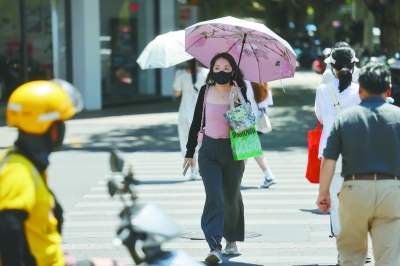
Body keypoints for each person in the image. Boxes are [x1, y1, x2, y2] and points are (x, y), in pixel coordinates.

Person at [0, 80, 123, 266]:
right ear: (53, 130)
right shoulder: (18, 171)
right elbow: (8, 229)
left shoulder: (26, 163)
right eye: (61, 122)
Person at [316, 62, 400, 266]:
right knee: (389, 259)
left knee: (351, 257)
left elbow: (329, 159)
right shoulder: (398, 116)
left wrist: (324, 193)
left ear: (360, 90)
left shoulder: (344, 119)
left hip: (354, 191)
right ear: (388, 90)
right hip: (391, 191)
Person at [183, 52, 248, 265]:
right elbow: (195, 122)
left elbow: (245, 127)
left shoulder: (239, 90)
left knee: (231, 196)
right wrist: (189, 152)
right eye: (217, 68)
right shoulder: (205, 90)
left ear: (233, 71)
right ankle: (214, 245)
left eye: (226, 68)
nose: (221, 72)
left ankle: (232, 239)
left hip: (233, 150)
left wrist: (238, 102)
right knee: (214, 196)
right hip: (209, 150)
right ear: (211, 70)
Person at [314, 46, 369, 265]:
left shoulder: (323, 91)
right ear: (354, 67)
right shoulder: (361, 91)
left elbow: (319, 116)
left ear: (332, 67)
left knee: (336, 205)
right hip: (358, 155)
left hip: (331, 156)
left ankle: (343, 253)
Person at [173, 58, 208, 180]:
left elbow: (177, 93)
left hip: (185, 111)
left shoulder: (180, 74)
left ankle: (193, 171)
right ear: (197, 61)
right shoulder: (205, 73)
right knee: (202, 141)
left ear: (186, 62)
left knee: (187, 141)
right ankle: (203, 169)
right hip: (202, 112)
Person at [244, 81, 276, 188]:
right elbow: (268, 102)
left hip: (245, 118)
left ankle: (269, 175)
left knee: (249, 149)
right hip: (259, 120)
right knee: (248, 149)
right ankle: (237, 178)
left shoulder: (245, 83)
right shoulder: (264, 84)